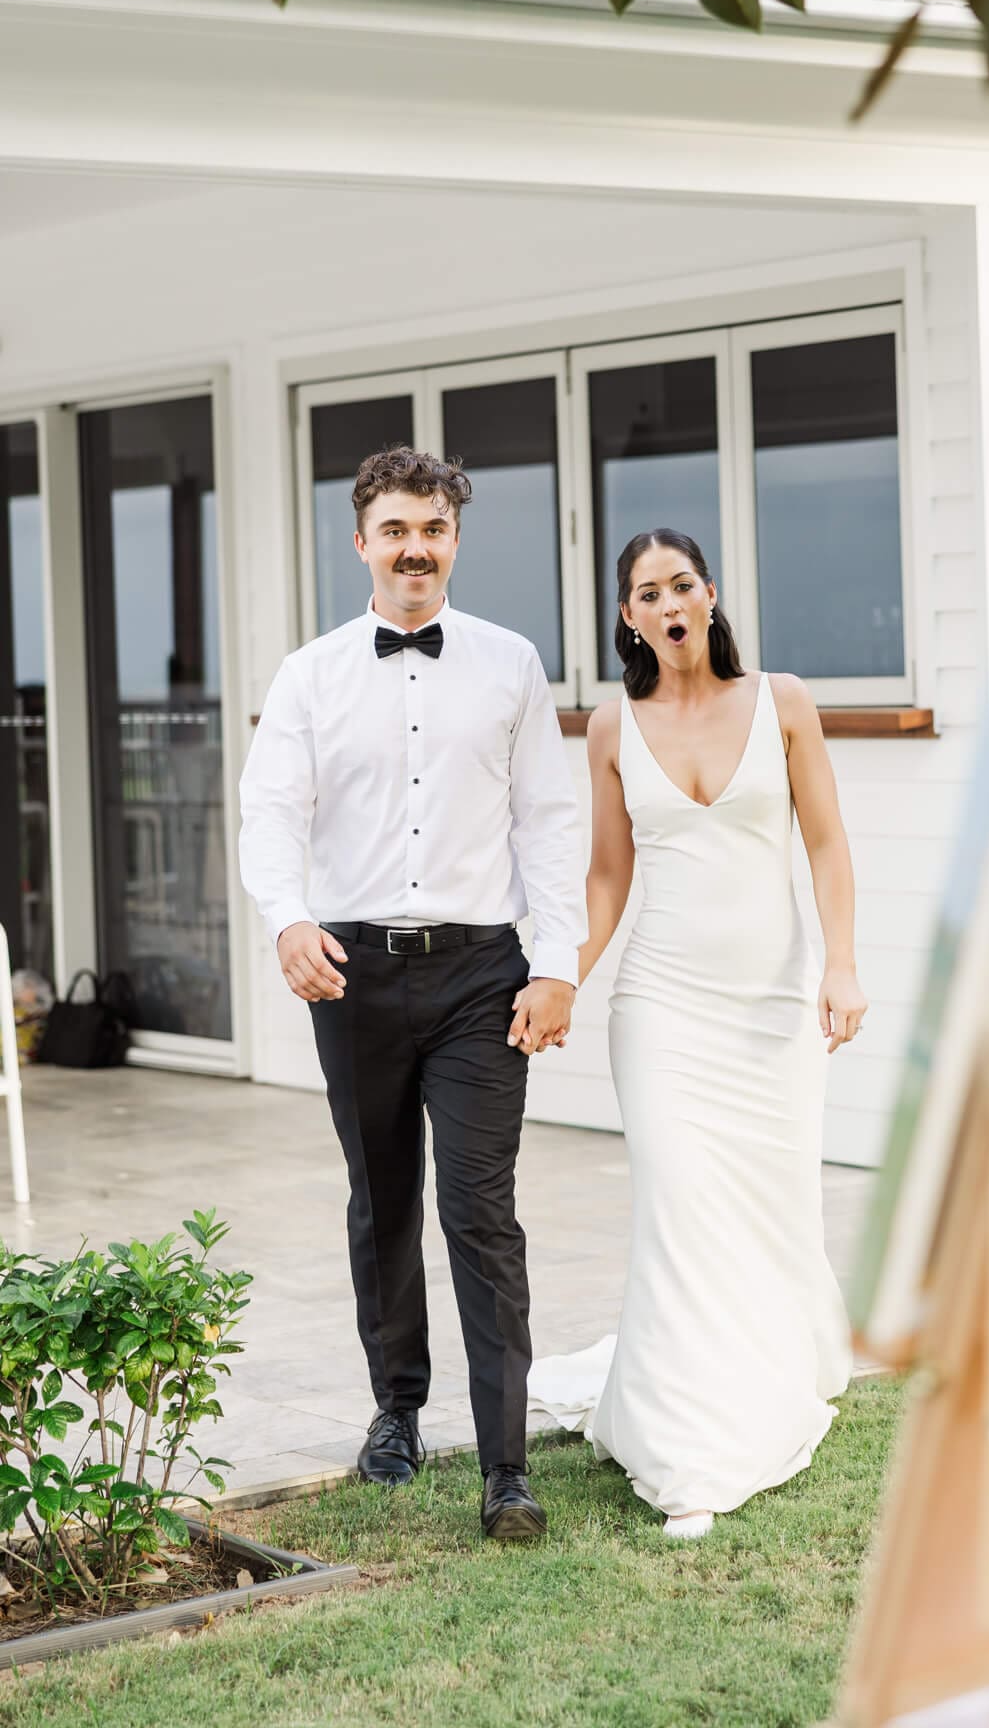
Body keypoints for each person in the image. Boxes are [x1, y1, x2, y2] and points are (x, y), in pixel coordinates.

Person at [238, 445, 585, 1541]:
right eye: (395, 529)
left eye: (432, 528)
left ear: (455, 539)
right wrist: (287, 917)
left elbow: (549, 820)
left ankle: (506, 1465)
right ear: (361, 542)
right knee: (382, 1197)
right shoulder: (309, 675)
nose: (415, 548)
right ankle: (396, 1411)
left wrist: (558, 961)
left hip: (483, 972)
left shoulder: (511, 663)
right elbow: (271, 813)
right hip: (353, 968)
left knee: (481, 1210)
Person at [529, 528, 864, 1539]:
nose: (668, 604)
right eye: (647, 593)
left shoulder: (783, 702)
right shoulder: (610, 726)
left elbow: (827, 842)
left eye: (681, 584)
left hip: (770, 1007)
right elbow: (607, 875)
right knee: (680, 1208)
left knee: (769, 1204)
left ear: (709, 595)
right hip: (662, 1009)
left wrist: (841, 964)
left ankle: (771, 1367)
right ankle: (689, 1448)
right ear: (627, 617)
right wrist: (560, 978)